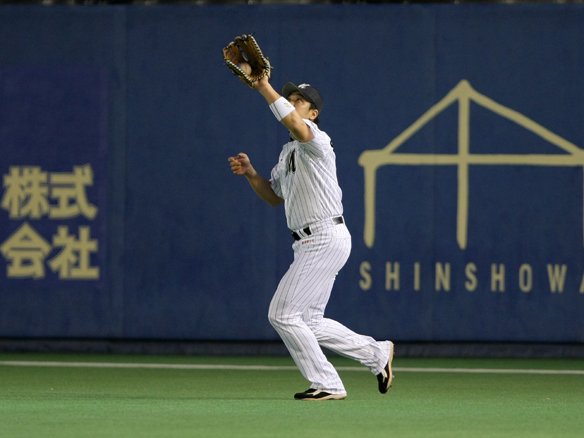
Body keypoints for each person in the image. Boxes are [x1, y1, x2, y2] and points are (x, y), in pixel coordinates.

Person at [228, 70, 394, 401]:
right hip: (310, 242)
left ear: (313, 113)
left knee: (281, 314)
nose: (292, 104)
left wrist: (263, 86)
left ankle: (328, 383)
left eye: (298, 101)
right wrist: (251, 175)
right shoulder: (287, 152)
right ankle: (377, 353)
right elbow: (274, 196)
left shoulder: (317, 140)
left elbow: (293, 123)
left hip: (324, 236)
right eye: (289, 99)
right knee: (309, 322)